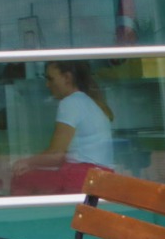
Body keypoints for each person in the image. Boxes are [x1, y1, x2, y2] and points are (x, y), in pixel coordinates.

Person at [10, 60, 115, 195]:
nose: (47, 85)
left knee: (21, 178)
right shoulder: (90, 102)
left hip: (82, 178)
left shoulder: (70, 102)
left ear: (67, 78)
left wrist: (26, 162)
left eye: (50, 79)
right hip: (100, 179)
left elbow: (56, 155)